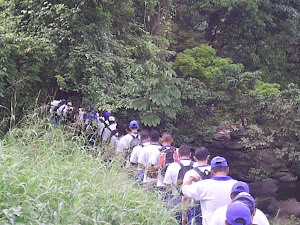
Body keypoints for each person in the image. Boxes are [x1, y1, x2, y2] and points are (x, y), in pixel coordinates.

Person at [181, 156, 238, 225]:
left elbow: (182, 191)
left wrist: (191, 178)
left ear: (212, 172)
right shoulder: (237, 185)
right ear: (227, 170)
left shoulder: (203, 185)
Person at [163, 145, 195, 222]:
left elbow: (167, 185)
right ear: (190, 154)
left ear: (178, 154)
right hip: (192, 201)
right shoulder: (196, 165)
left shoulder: (172, 166)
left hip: (176, 198)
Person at [182, 147, 211, 225]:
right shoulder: (215, 171)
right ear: (208, 157)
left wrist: (184, 216)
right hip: (212, 208)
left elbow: (184, 197)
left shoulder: (190, 173)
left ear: (194, 158)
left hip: (197, 210)